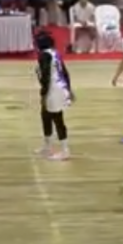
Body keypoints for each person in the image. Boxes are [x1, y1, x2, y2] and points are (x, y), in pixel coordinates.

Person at [34, 32, 74, 161]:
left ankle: (65, 150)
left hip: (53, 90)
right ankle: (47, 146)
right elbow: (65, 72)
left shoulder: (44, 56)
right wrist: (69, 89)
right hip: (59, 87)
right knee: (45, 116)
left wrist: (43, 94)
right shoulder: (54, 53)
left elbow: (45, 77)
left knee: (57, 119)